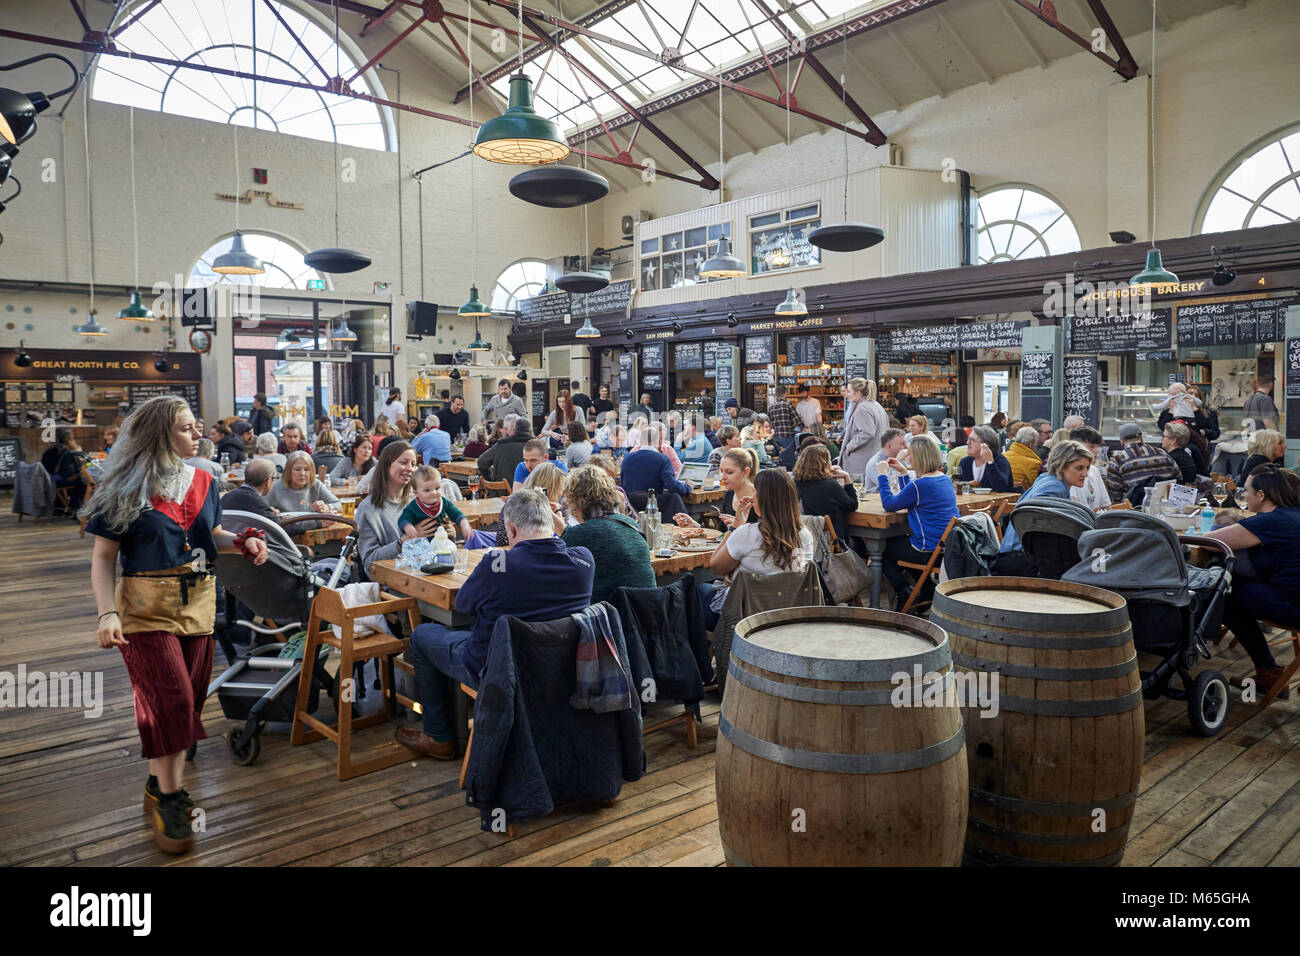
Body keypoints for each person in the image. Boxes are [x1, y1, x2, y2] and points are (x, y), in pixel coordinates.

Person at [86, 396, 268, 854]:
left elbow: (210, 539)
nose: (198, 434)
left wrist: (242, 543)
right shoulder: (127, 485)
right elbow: (104, 558)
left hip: (198, 608)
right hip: (143, 611)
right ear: (160, 434)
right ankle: (170, 796)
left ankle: (155, 784)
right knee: (172, 701)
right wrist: (107, 612)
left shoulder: (206, 480)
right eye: (187, 428)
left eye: (197, 426)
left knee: (182, 705)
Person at [396, 490, 595, 759]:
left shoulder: (497, 564)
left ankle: (439, 736)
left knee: (422, 635)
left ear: (510, 528)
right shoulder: (584, 560)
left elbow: (463, 606)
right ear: (552, 521)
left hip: (497, 670)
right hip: (561, 671)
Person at [1207, 464, 1300, 697]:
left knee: (1223, 588)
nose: (1243, 494)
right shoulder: (1292, 514)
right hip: (1291, 596)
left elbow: (1209, 542)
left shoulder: (1271, 522)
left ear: (1261, 495)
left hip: (1294, 605)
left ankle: (1267, 671)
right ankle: (1267, 671)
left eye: (1246, 490)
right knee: (1233, 590)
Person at [876, 434, 959, 611]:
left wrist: (882, 476)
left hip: (927, 549)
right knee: (903, 545)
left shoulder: (920, 485)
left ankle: (903, 591)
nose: (908, 457)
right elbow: (912, 497)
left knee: (881, 549)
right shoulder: (944, 478)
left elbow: (889, 504)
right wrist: (904, 473)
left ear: (920, 457)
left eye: (911, 454)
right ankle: (926, 588)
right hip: (946, 549)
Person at [559, 466, 655, 603]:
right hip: (648, 612)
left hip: (614, 619)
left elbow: (557, 572)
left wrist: (562, 530)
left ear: (575, 502)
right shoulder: (630, 523)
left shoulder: (582, 533)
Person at [996, 441, 1095, 566]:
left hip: (1014, 555)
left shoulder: (1047, 479)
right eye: (1079, 468)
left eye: (1087, 468)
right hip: (1022, 559)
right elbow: (1036, 522)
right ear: (1061, 467)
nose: (1085, 474)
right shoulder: (1054, 486)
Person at [354, 442, 419, 577]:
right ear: (386, 465)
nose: (410, 468)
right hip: (391, 583)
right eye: (403, 462)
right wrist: (402, 543)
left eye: (413, 464)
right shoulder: (368, 508)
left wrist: (448, 536)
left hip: (423, 574)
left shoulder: (417, 502)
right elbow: (369, 563)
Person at [794, 443, 859, 543]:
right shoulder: (830, 485)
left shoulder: (794, 484)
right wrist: (847, 478)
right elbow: (852, 505)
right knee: (860, 544)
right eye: (829, 460)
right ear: (824, 463)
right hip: (832, 543)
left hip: (804, 542)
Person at [1104, 422, 1180, 505]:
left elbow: (1114, 494)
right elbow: (1178, 477)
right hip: (1164, 506)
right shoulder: (1162, 453)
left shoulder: (1118, 459)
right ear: (1141, 437)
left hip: (1135, 510)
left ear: (1121, 441)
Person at [620, 425, 692, 507]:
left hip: (631, 504)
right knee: (674, 498)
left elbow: (623, 482)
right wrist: (688, 487)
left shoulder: (627, 458)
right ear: (660, 441)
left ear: (640, 441)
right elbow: (672, 486)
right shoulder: (663, 460)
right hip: (653, 505)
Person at [399, 465, 473, 541]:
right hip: (423, 546)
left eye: (437, 488)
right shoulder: (413, 506)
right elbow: (403, 519)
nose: (434, 493)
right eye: (427, 490)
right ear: (416, 492)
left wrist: (464, 523)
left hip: (443, 544)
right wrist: (407, 526)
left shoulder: (443, 502)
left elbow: (456, 514)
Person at [839, 378, 890, 481]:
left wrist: (849, 446)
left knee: (859, 492)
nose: (847, 395)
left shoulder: (862, 408)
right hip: (874, 457)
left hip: (862, 462)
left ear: (858, 392)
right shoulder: (876, 405)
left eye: (849, 391)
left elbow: (867, 432)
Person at [266, 450, 340, 515]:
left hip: (313, 528)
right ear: (288, 471)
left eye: (307, 469)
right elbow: (261, 510)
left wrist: (327, 507)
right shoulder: (276, 487)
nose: (302, 474)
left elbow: (340, 504)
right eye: (297, 469)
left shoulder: (316, 484)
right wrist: (270, 511)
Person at [42, 426, 90, 511]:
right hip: (57, 480)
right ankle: (77, 508)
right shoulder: (67, 451)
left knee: (79, 479)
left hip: (47, 479)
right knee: (83, 480)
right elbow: (70, 473)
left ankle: (62, 506)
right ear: (69, 437)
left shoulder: (48, 450)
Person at [957, 425, 1014, 491]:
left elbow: (1000, 487)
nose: (967, 443)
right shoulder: (965, 462)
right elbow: (961, 488)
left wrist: (990, 462)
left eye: (972, 440)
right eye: (968, 439)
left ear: (986, 444)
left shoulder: (1000, 460)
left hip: (997, 500)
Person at [1067, 425, 1110, 511]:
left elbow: (1106, 506)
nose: (1097, 451)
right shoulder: (1069, 473)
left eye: (1098, 446)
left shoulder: (1094, 470)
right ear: (1076, 446)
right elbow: (1075, 509)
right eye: (1091, 446)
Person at [1005, 425, 1042, 490]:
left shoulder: (1004, 456)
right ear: (1031, 443)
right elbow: (1035, 488)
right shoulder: (1033, 463)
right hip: (1022, 497)